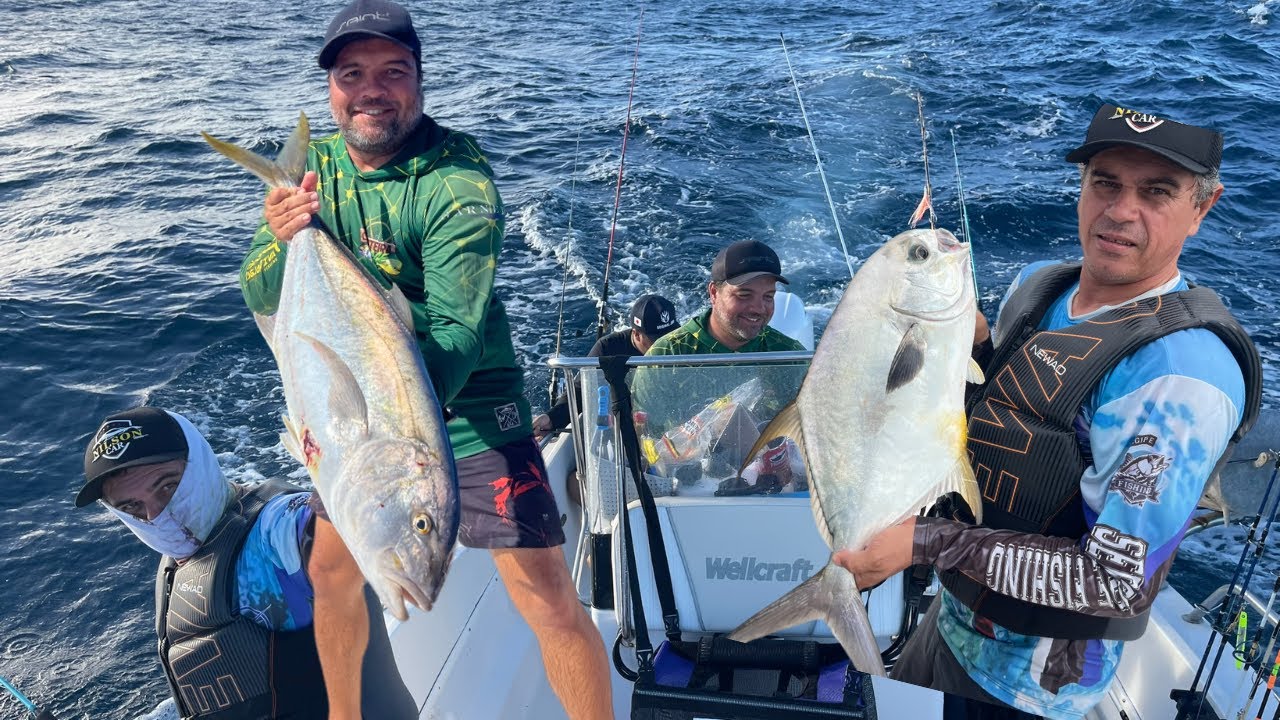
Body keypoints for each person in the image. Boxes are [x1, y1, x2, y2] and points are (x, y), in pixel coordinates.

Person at [237, 1, 613, 717]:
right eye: (354, 73)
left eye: (393, 71)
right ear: (331, 88)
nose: (372, 89)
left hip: (469, 403)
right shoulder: (311, 170)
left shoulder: (455, 180)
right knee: (330, 567)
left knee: (545, 595)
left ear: (419, 79)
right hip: (365, 427)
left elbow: (457, 335)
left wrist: (389, 440)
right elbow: (258, 289)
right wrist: (281, 239)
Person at [835, 103, 1261, 719]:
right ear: (1082, 187)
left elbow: (1116, 584)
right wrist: (972, 346)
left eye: (1157, 192)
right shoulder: (1040, 286)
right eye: (1105, 182)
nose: (1120, 210)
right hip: (949, 621)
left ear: (1203, 207)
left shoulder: (1180, 379)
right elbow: (1016, 413)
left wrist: (924, 543)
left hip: (1026, 689)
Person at [75, 407, 417, 719]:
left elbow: (324, 528)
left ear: (199, 462)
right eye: (133, 507)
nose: (157, 515)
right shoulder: (178, 562)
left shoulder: (275, 530)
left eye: (168, 486)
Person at [632, 239, 806, 435]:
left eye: (768, 296)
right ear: (714, 293)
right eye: (744, 295)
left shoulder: (790, 355)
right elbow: (643, 438)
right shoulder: (665, 357)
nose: (758, 308)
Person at [533, 293, 679, 439]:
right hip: (623, 429)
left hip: (670, 425)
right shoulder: (608, 349)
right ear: (636, 334)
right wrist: (551, 418)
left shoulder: (680, 345)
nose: (665, 345)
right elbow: (580, 390)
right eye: (657, 340)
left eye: (669, 336)